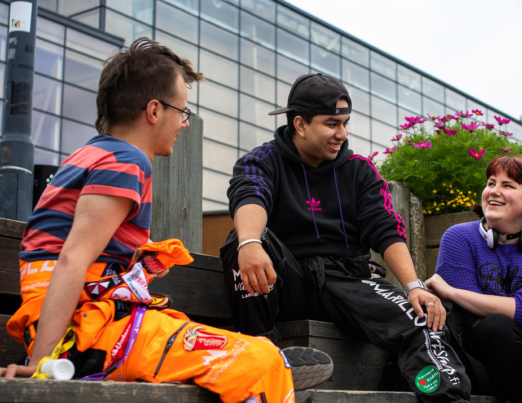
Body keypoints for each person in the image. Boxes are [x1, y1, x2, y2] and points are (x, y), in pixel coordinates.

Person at [1, 38, 333, 403]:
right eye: (182, 111)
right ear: (154, 111)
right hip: (85, 334)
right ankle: (263, 364)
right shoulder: (125, 162)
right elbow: (72, 258)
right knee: (263, 364)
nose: (184, 124)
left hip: (90, 325)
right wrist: (43, 361)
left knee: (222, 351)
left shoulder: (89, 154)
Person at [221, 73, 471, 402]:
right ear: (300, 124)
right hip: (284, 282)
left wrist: (413, 286)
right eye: (332, 124)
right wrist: (249, 242)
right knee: (243, 241)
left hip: (346, 280)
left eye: (345, 123)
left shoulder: (359, 170)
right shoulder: (262, 160)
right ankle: (260, 357)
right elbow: (249, 195)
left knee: (422, 321)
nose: (342, 134)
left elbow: (384, 227)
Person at [425, 156, 522, 403]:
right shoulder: (458, 238)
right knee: (499, 327)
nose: (494, 191)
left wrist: (451, 292)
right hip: (471, 363)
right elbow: (471, 318)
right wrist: (516, 312)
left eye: (508, 185)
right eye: (491, 183)